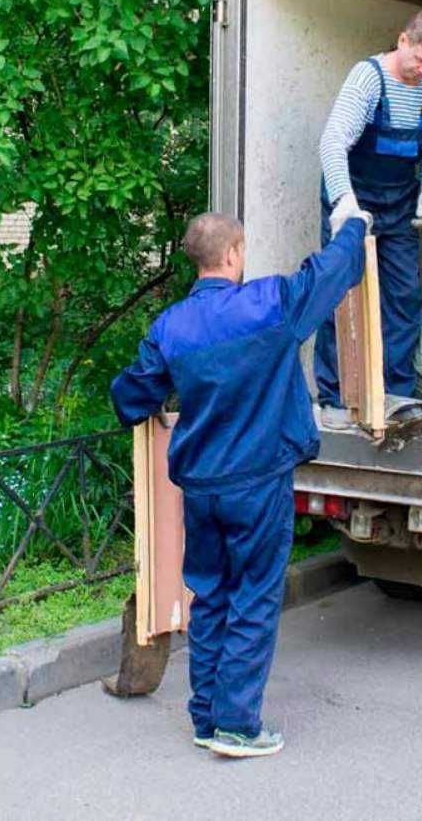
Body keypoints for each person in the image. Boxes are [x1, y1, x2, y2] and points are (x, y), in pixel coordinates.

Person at [110, 210, 371, 759]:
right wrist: (352, 223)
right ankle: (236, 726)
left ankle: (206, 717)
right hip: (257, 483)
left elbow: (128, 396)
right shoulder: (269, 306)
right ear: (232, 255)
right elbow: (333, 271)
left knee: (211, 596)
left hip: (201, 488)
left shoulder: (170, 327)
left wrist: (159, 399)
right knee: (254, 595)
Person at [313, 10, 422, 426]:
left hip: (399, 201)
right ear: (403, 40)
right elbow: (333, 140)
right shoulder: (368, 78)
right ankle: (334, 397)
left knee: (405, 298)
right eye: (420, 59)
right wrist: (344, 202)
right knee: (341, 295)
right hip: (353, 196)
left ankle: (396, 394)